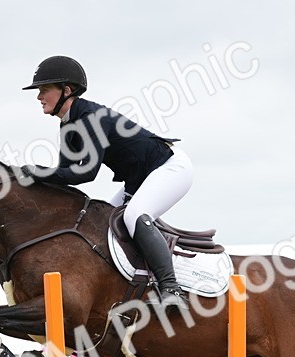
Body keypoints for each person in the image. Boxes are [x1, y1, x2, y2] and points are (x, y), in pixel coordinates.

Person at [21, 55, 192, 308]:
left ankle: (172, 288)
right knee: (102, 222)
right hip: (140, 178)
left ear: (67, 91)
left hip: (171, 168)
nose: (38, 96)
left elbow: (86, 173)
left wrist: (37, 172)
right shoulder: (68, 126)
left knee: (134, 216)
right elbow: (65, 175)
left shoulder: (91, 118)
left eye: (44, 90)